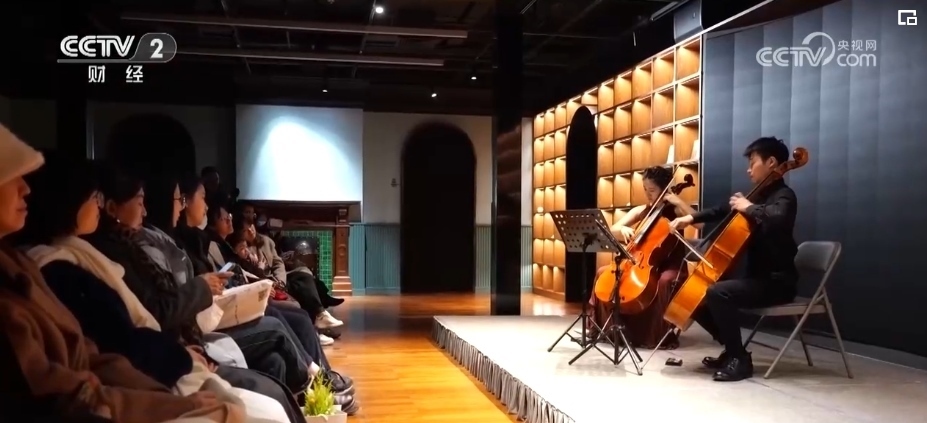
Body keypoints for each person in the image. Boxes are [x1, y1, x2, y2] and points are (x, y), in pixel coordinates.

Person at [13, 152, 292, 422]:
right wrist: (181, 349)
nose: (186, 206)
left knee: (275, 360)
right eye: (94, 198)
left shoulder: (106, 251)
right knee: (270, 382)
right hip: (150, 372)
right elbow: (125, 335)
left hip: (163, 355)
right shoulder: (66, 265)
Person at [168, 177, 357, 413]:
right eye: (202, 198)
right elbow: (194, 293)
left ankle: (315, 386)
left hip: (226, 307)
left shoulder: (204, 241)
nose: (205, 206)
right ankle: (319, 383)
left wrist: (265, 279)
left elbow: (269, 264)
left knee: (289, 328)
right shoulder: (191, 244)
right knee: (279, 321)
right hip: (212, 323)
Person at [670, 136, 799, 382]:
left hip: (778, 282)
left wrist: (748, 207)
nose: (748, 169)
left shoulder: (784, 195)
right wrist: (690, 218)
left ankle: (740, 359)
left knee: (718, 292)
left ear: (771, 162)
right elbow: (721, 209)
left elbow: (778, 218)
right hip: (756, 279)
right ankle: (732, 350)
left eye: (752, 163)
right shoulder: (757, 196)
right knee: (697, 297)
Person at [585, 166, 700, 349]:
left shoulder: (676, 212)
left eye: (652, 190)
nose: (647, 194)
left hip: (669, 264)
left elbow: (700, 223)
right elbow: (611, 230)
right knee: (602, 272)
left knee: (665, 281)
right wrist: (622, 229)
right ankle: (605, 329)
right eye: (645, 189)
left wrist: (677, 200)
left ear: (664, 189)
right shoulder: (642, 210)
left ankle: (654, 335)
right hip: (641, 262)